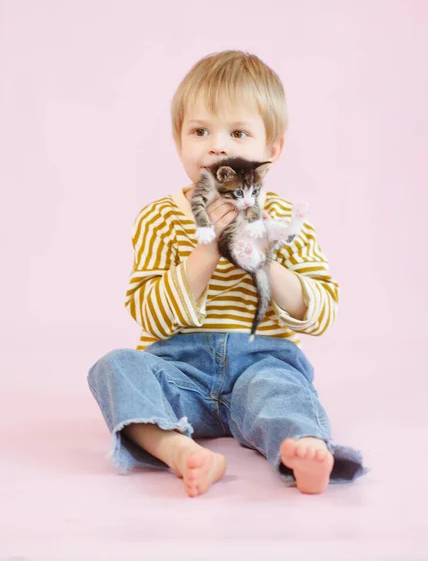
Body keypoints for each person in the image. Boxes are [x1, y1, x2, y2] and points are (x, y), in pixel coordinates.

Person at [87, 50, 368, 497]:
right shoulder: (158, 217)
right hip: (179, 369)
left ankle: (303, 448)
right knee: (113, 367)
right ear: (179, 142)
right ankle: (180, 450)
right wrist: (209, 250)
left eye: (237, 132)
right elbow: (150, 317)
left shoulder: (282, 217)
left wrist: (262, 261)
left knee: (282, 391)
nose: (216, 145)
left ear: (270, 151)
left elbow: (320, 312)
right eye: (200, 131)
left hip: (260, 361)